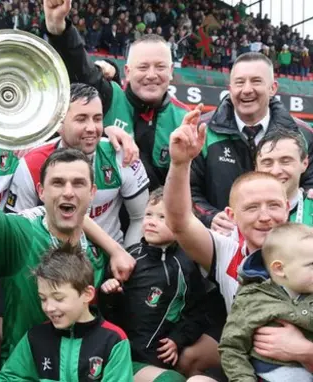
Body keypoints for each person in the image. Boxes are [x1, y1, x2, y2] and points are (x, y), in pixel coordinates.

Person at [164, 105, 313, 382]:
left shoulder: (309, 253)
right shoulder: (228, 251)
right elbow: (179, 222)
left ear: (287, 208)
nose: (265, 217)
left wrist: (304, 350)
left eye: (273, 206)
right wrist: (180, 163)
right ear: (232, 215)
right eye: (252, 208)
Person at [0, 141, 134, 362]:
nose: (68, 192)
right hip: (26, 373)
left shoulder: (98, 250)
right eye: (58, 183)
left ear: (92, 192)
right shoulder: (21, 234)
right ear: (41, 191)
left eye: (78, 183)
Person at [43, 0, 190, 190]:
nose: (151, 75)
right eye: (143, 67)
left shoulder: (184, 119)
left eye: (160, 67)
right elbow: (81, 68)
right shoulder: (108, 97)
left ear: (171, 71)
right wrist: (60, 31)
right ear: (127, 72)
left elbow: (193, 186)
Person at [5, 83, 150, 247]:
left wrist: (128, 261)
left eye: (97, 119)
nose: (91, 128)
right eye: (81, 119)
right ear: (58, 123)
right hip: (52, 263)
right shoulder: (31, 164)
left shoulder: (120, 154)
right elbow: (17, 229)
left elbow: (140, 217)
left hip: (108, 263)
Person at [190, 52, 313, 235]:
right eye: (240, 82)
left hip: (285, 243)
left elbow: (310, 181)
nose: (247, 89)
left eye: (256, 81)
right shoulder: (201, 131)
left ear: (273, 88)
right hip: (222, 245)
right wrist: (210, 216)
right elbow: (187, 190)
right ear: (230, 88)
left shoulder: (303, 133)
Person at [100, 187, 207, 381]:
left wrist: (178, 339)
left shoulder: (188, 265)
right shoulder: (128, 257)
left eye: (162, 217)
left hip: (156, 357)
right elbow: (107, 311)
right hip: (119, 351)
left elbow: (197, 312)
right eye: (148, 214)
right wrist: (109, 291)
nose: (151, 221)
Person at [0, 242, 133, 381]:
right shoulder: (35, 337)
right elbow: (8, 378)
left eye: (59, 298)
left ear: (87, 294)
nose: (49, 307)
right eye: (43, 299)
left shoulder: (114, 340)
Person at [219, 223, 313, 382]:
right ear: (279, 269)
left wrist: (304, 349)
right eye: (311, 265)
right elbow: (232, 348)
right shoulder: (253, 299)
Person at [255, 127, 313, 225]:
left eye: (285, 161)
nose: (276, 171)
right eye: (267, 163)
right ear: (256, 168)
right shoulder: (241, 211)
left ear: (304, 163)